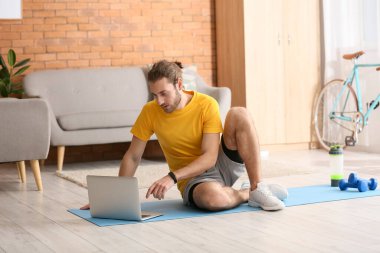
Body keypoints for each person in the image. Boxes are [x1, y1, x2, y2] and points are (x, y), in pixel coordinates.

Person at [81, 60, 287, 212]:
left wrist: (170, 177)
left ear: (179, 85)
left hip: (219, 163)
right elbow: (133, 156)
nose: (159, 101)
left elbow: (209, 157)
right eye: (154, 95)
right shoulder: (150, 111)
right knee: (213, 200)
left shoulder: (206, 104)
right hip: (193, 179)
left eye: (164, 93)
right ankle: (245, 194)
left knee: (239, 113)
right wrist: (115, 197)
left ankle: (257, 187)